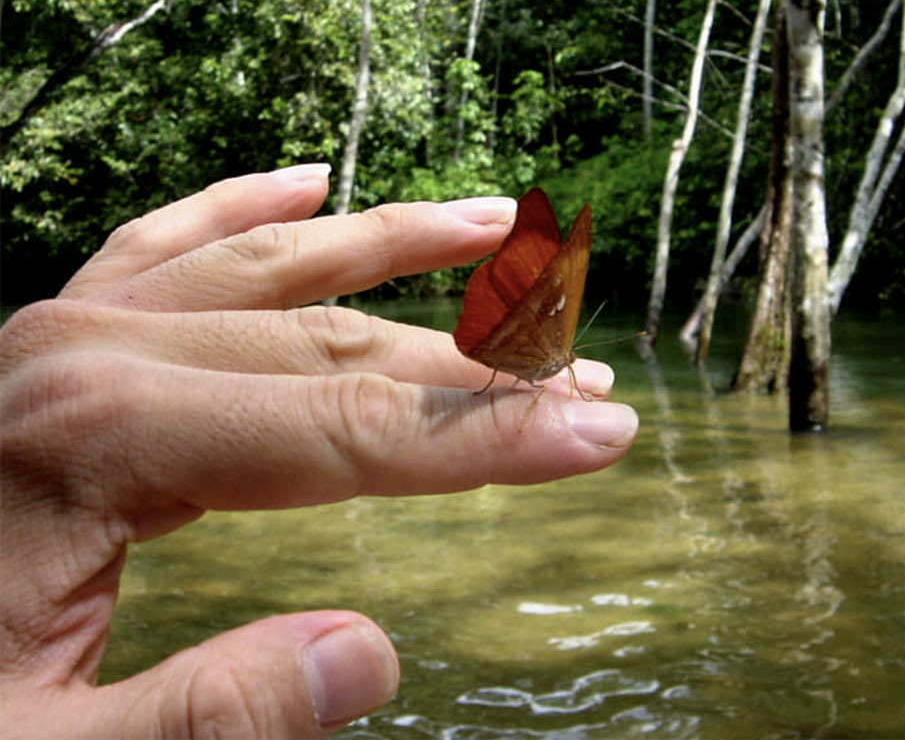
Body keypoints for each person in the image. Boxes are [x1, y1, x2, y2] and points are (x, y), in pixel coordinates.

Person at [0, 164, 639, 738]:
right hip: (503, 348)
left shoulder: (554, 353)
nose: (574, 361)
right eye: (573, 359)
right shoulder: (551, 351)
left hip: (501, 350)